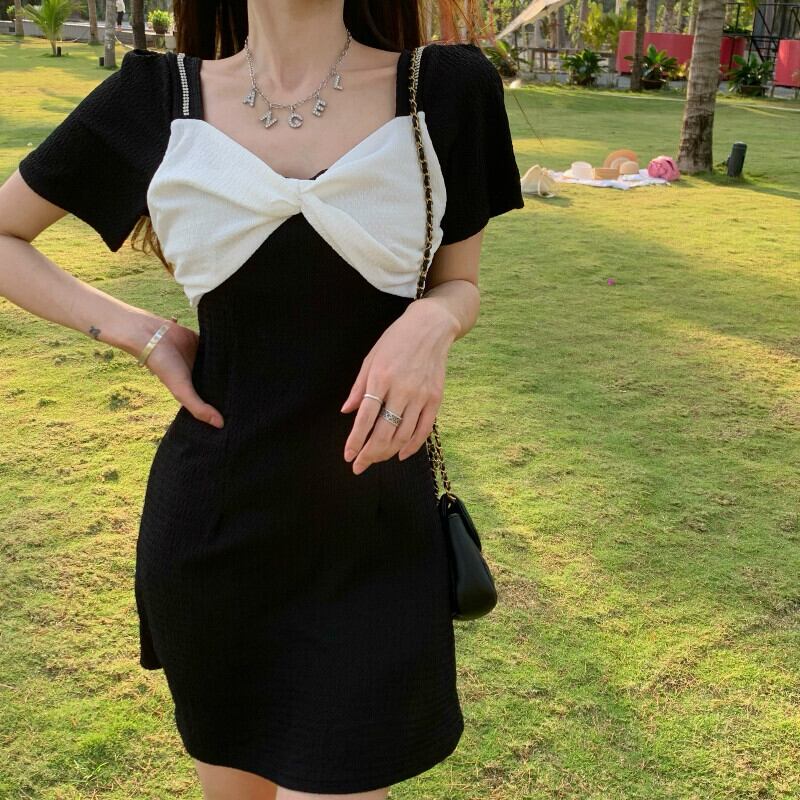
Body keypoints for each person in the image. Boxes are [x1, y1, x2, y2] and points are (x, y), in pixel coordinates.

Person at [0, 1, 524, 798]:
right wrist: (142, 332)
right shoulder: (158, 97)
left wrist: (433, 321)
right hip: (213, 534)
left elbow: (461, 284)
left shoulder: (446, 89)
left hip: (373, 536)